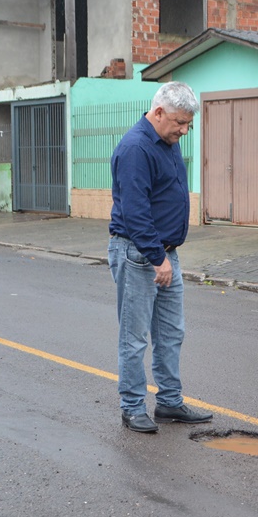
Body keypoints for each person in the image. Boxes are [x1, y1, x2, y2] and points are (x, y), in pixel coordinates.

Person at [108, 81, 213, 434]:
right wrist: (157, 258)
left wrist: (165, 255)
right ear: (157, 113)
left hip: (163, 254)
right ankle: (132, 406)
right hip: (142, 255)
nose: (184, 131)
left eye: (188, 125)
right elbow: (135, 211)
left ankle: (169, 401)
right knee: (135, 337)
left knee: (170, 333)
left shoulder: (165, 142)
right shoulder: (137, 147)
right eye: (179, 123)